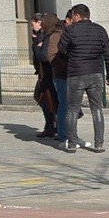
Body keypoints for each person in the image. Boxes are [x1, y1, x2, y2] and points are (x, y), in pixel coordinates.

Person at [59, 3, 109, 152]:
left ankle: (71, 143)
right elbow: (108, 54)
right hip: (95, 73)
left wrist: (70, 55)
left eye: (73, 16)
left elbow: (61, 48)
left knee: (72, 109)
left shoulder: (71, 30)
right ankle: (99, 143)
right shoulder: (100, 30)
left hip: (76, 73)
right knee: (96, 109)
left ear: (77, 15)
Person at [29, 13, 57, 138]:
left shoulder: (45, 35)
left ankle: (52, 126)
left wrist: (36, 46)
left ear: (39, 23)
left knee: (46, 99)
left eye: (33, 23)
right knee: (43, 99)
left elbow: (42, 55)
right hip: (42, 72)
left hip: (47, 73)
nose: (32, 26)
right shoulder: (39, 35)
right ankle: (50, 125)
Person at [46, 10, 72, 143]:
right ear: (68, 20)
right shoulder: (57, 35)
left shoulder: (69, 33)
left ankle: (70, 133)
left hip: (71, 75)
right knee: (64, 105)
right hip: (62, 75)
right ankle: (63, 134)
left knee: (70, 106)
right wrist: (66, 66)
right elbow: (51, 56)